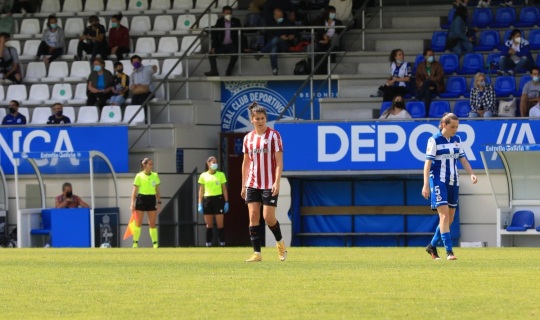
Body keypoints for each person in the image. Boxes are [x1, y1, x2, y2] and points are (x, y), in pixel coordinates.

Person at [422, 113, 477, 260]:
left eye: (457, 127)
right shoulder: (434, 140)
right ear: (444, 125)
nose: (455, 129)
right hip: (438, 181)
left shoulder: (457, 139)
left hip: (454, 181)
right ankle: (449, 252)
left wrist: (471, 173)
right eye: (453, 127)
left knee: (449, 219)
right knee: (444, 216)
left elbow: (463, 159)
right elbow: (427, 164)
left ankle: (432, 246)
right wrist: (426, 184)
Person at [241, 102, 287, 262]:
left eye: (263, 118)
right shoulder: (248, 138)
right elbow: (246, 163)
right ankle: (257, 254)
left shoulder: (274, 136)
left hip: (269, 183)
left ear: (266, 119)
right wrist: (243, 184)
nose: (260, 121)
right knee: (253, 216)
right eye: (257, 118)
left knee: (268, 217)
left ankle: (280, 244)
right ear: (252, 120)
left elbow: (279, 161)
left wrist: (277, 182)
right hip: (253, 183)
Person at [197, 156, 229, 247]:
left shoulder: (221, 175)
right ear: (208, 163)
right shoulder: (203, 175)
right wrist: (200, 203)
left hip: (218, 199)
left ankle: (222, 242)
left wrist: (227, 201)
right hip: (207, 199)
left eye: (216, 162)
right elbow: (201, 191)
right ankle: (208, 243)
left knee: (220, 223)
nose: (215, 164)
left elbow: (224, 189)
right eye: (213, 162)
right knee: (209, 224)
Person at [130, 158, 161, 248]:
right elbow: (134, 190)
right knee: (138, 223)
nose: (151, 166)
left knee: (152, 223)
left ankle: (155, 244)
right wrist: (132, 203)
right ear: (144, 165)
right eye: (149, 164)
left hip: (151, 199)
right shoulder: (139, 176)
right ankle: (135, 243)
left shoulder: (155, 175)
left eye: (152, 164)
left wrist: (159, 201)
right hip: (141, 199)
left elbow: (157, 189)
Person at [255, 8, 296, 76]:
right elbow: (269, 35)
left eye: (282, 16)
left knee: (276, 39)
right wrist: (280, 37)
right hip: (273, 44)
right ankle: (275, 69)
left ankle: (261, 52)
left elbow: (295, 32)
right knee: (274, 48)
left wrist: (292, 35)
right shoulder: (270, 23)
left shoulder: (287, 22)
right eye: (279, 17)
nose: (281, 18)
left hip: (285, 44)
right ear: (275, 16)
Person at [204, 6, 242, 77]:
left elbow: (241, 35)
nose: (228, 15)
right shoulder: (219, 21)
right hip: (221, 45)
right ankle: (214, 71)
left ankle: (229, 71)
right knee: (211, 54)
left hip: (232, 44)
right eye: (226, 13)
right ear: (223, 14)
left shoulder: (236, 21)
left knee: (235, 55)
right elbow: (215, 35)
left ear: (232, 14)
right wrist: (213, 47)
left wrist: (244, 47)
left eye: (229, 13)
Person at [415, 48, 445, 113]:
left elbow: (440, 77)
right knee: (427, 91)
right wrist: (425, 85)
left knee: (427, 81)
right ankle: (426, 112)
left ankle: (419, 97)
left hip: (436, 86)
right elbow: (417, 77)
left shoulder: (438, 64)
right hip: (425, 87)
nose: (432, 56)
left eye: (432, 55)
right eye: (429, 55)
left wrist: (428, 81)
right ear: (425, 56)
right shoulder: (420, 65)